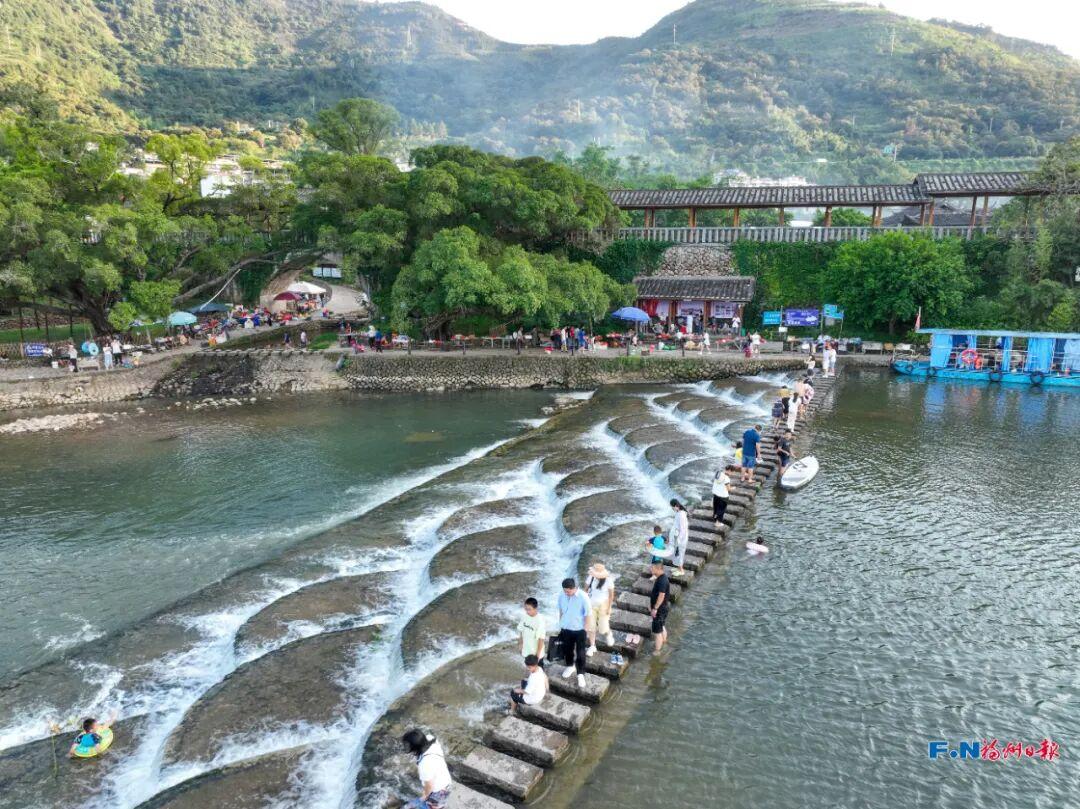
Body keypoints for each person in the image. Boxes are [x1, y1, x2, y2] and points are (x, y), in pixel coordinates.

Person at [402, 729, 452, 809]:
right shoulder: (430, 739)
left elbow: (430, 785)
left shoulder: (424, 765)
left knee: (431, 806)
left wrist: (424, 796)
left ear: (415, 748)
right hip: (446, 780)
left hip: (439, 791)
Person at [557, 578, 590, 687]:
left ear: (575, 588)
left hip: (580, 629)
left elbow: (588, 614)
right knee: (567, 649)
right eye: (565, 591)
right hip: (566, 628)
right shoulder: (562, 596)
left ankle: (580, 674)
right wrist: (561, 625)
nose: (566, 593)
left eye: (568, 591)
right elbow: (561, 610)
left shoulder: (583, 597)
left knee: (580, 652)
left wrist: (585, 629)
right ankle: (570, 666)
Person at [585, 562, 615, 656]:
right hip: (591, 604)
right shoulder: (591, 577)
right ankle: (592, 646)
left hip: (603, 604)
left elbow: (611, 595)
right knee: (591, 626)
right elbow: (585, 590)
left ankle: (608, 633)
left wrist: (609, 607)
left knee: (603, 628)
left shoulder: (608, 580)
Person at [648, 560, 670, 652]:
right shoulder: (661, 578)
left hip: (659, 609)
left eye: (652, 568)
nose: (650, 569)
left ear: (658, 569)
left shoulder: (662, 580)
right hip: (663, 608)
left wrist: (655, 608)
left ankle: (657, 651)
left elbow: (661, 596)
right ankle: (664, 642)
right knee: (662, 626)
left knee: (657, 632)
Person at [517, 597, 546, 665]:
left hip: (535, 652)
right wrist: (520, 645)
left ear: (535, 608)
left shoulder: (540, 620)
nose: (527, 611)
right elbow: (521, 631)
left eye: (529, 609)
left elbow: (541, 639)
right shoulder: (524, 617)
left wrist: (538, 655)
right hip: (526, 650)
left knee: (539, 670)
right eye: (526, 609)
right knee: (529, 667)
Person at [669, 499, 690, 578]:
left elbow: (683, 529)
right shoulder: (678, 512)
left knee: (680, 553)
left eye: (672, 507)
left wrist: (679, 540)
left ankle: (681, 570)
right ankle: (678, 568)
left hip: (681, 538)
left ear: (676, 506)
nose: (672, 509)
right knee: (676, 553)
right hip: (677, 537)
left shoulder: (681, 515)